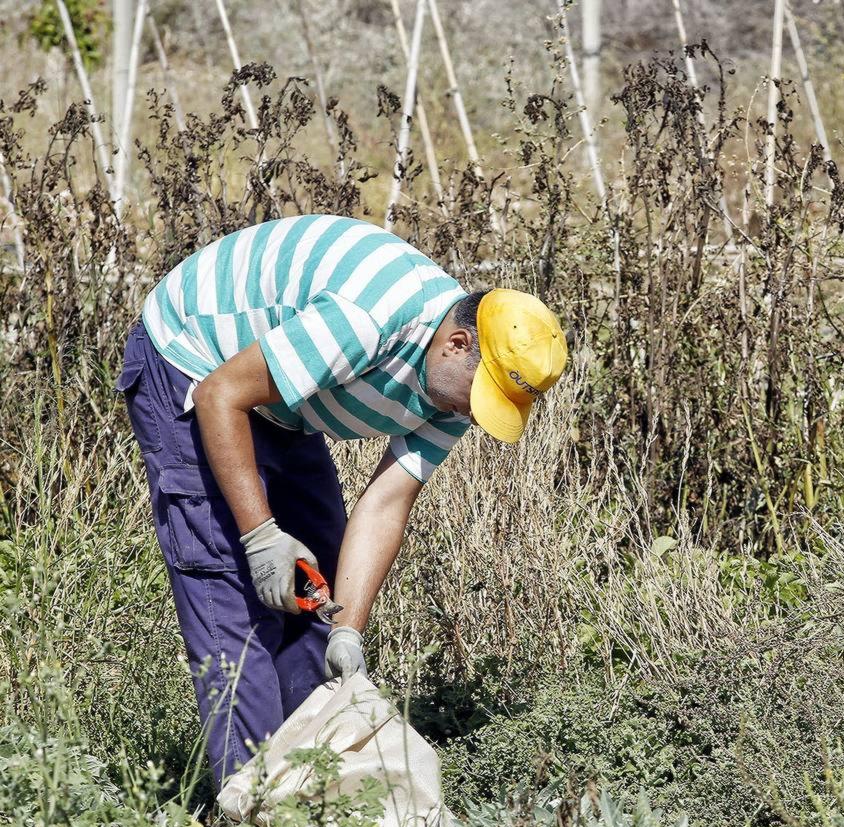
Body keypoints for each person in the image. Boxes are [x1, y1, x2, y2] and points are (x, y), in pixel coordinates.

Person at [115, 214, 568, 788]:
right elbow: (221, 393)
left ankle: (307, 789)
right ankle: (249, 814)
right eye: (480, 398)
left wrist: (349, 630)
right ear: (456, 344)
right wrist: (260, 539)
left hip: (277, 394)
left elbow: (385, 501)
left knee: (315, 590)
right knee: (231, 586)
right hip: (193, 362)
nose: (475, 415)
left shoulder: (454, 389)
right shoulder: (367, 319)